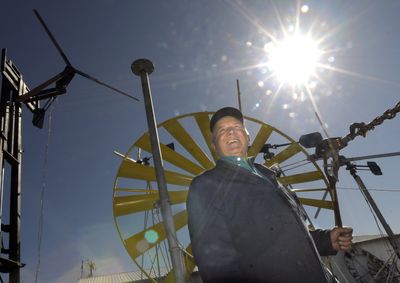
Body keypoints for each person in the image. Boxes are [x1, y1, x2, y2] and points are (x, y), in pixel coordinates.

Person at [186, 107, 353, 283]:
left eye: (236, 126)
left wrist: (326, 240)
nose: (230, 131)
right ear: (214, 146)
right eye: (221, 130)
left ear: (248, 137)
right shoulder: (206, 186)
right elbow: (216, 266)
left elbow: (284, 236)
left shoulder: (269, 176)